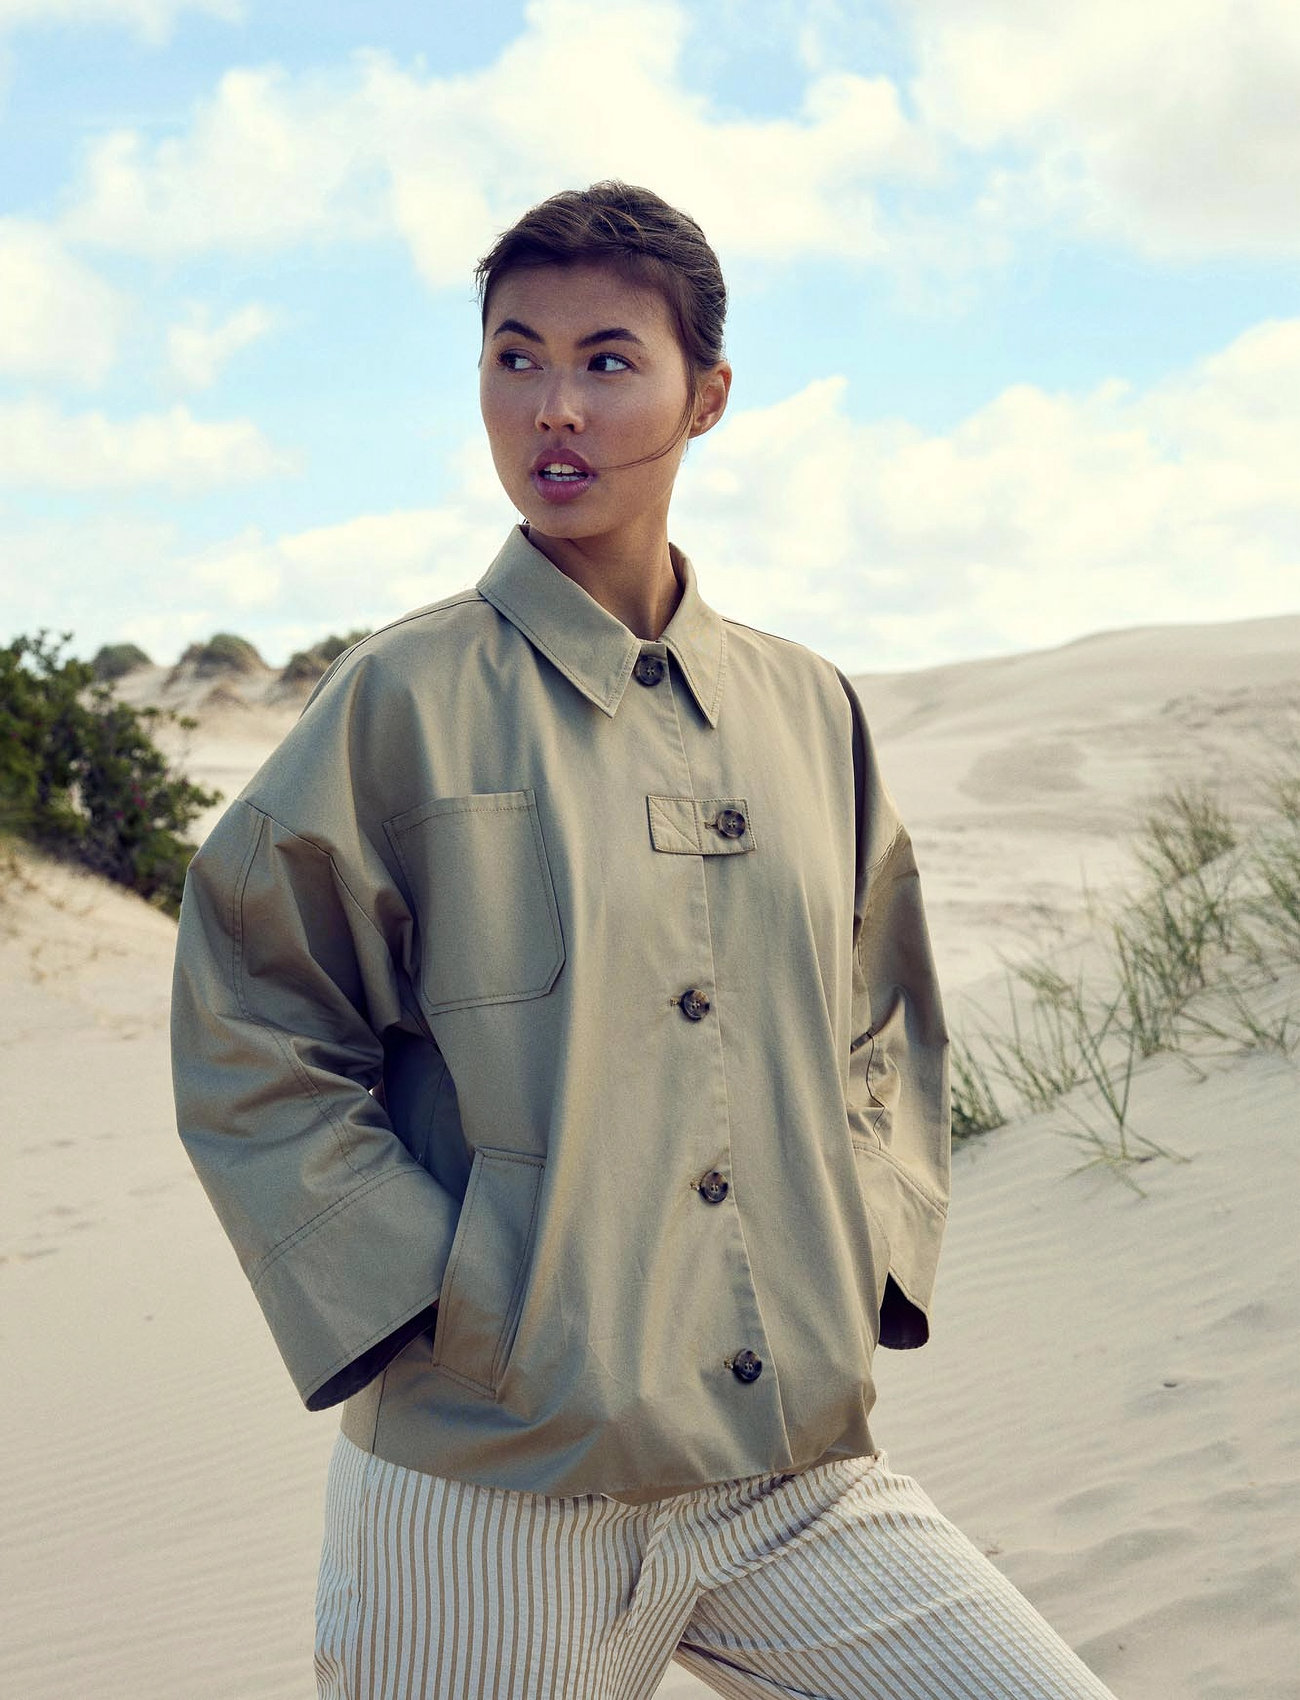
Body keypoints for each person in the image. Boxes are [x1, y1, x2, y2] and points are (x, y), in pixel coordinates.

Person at [170, 182, 1119, 1699]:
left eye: (608, 361)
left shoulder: (809, 708)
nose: (553, 407)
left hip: (787, 1467)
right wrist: (442, 1312)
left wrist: (856, 1258)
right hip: (490, 1496)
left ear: (707, 395)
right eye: (515, 358)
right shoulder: (401, 701)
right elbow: (251, 1017)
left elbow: (878, 1019)